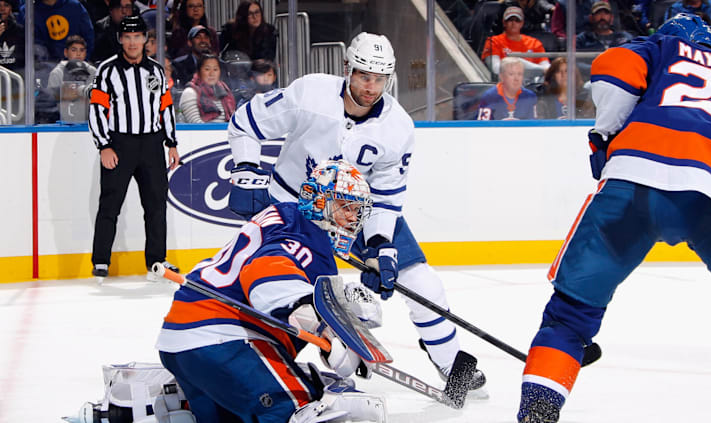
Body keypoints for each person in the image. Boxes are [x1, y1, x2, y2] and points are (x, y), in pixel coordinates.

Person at [515, 14, 711, 423]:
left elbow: (612, 70)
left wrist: (605, 137)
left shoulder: (661, 48)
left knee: (570, 314)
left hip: (638, 180)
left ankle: (538, 413)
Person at [226, 32, 487, 391]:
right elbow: (245, 124)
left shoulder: (398, 128)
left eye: (380, 79)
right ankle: (251, 358)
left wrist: (381, 244)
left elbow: (387, 194)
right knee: (278, 290)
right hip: (293, 207)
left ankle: (451, 363)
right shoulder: (310, 94)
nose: (371, 86)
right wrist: (246, 173)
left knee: (421, 281)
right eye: (365, 76)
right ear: (347, 68)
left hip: (354, 211)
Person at [156, 160, 387, 423]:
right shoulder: (304, 231)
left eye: (358, 211)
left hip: (184, 342)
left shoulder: (288, 217)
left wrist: (338, 334)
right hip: (225, 340)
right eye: (346, 206)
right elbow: (265, 274)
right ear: (320, 201)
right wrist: (324, 329)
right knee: (302, 411)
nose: (353, 218)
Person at [88, 15, 180, 280]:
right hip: (120, 143)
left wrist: (171, 143)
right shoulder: (106, 70)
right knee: (110, 204)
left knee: (156, 205)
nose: (132, 42)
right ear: (120, 39)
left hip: (152, 144)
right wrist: (104, 145)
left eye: (137, 37)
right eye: (127, 37)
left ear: (145, 40)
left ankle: (156, 261)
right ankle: (101, 260)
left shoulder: (156, 70)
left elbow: (166, 107)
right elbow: (97, 110)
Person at [480, 6, 550, 76]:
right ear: (504, 23)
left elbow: (547, 67)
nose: (513, 23)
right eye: (510, 20)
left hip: (531, 84)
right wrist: (519, 62)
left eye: (517, 20)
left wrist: (520, 63)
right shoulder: (493, 41)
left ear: (522, 23)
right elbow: (495, 69)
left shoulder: (534, 43)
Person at [19, 0, 95, 61]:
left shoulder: (75, 6)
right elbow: (29, 45)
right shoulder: (27, 11)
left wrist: (82, 61)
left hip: (77, 66)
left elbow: (88, 37)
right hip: (44, 70)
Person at [178, 54, 236, 123]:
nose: (212, 74)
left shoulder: (224, 92)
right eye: (207, 69)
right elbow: (196, 125)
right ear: (199, 72)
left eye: (215, 69)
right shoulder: (190, 93)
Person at [0, 0, 24, 73]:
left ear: (11, 8)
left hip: (16, 74)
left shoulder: (20, 30)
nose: (2, 9)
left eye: (6, 5)